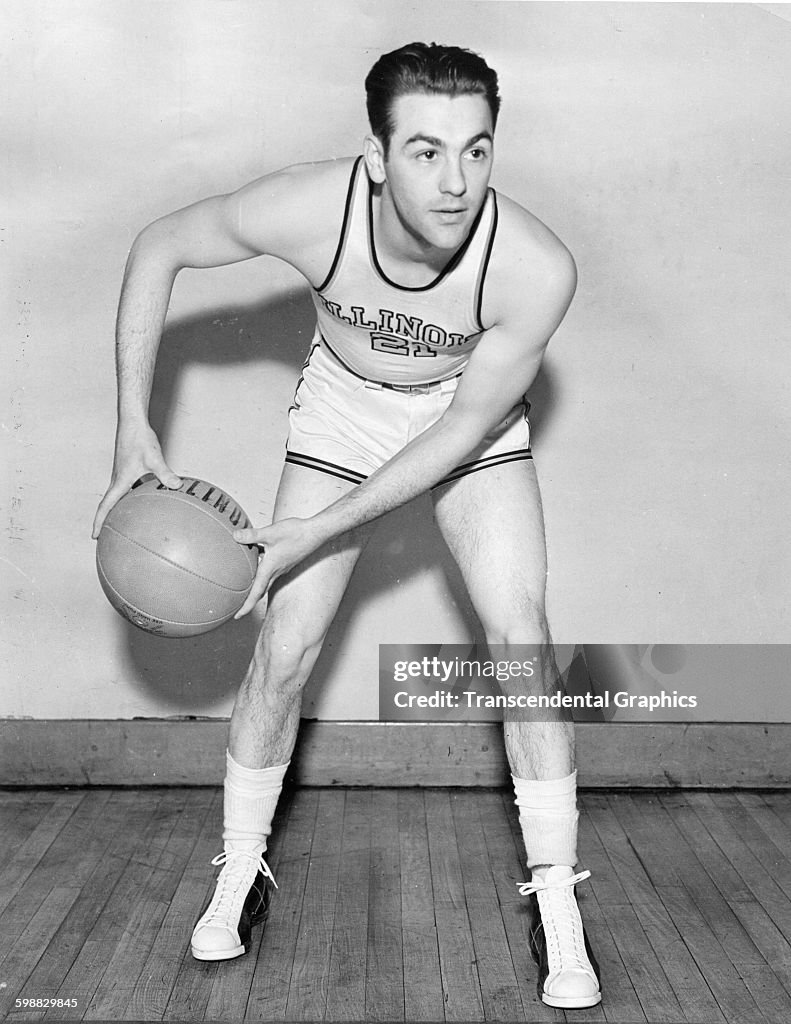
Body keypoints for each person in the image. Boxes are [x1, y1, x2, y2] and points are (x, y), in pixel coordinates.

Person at [92, 42, 601, 1010]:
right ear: (375, 155)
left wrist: (318, 524)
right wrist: (131, 423)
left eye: (476, 149)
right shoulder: (307, 206)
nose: (454, 182)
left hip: (467, 423)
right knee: (284, 643)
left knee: (521, 639)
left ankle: (554, 895)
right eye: (423, 151)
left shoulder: (533, 268)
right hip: (342, 409)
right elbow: (160, 242)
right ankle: (241, 866)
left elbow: (456, 430)